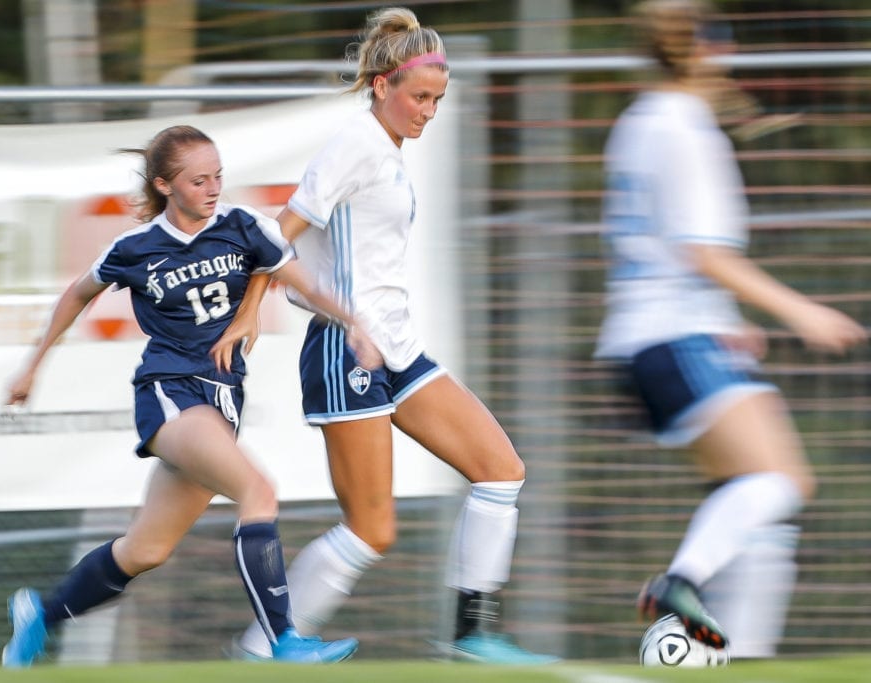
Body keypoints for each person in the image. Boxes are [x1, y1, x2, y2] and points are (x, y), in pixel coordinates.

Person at [231, 7, 558, 665]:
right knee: (373, 527)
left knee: (501, 471)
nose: (428, 111)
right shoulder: (356, 140)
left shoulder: (385, 149)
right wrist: (248, 314)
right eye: (418, 97)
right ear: (382, 86)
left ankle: (473, 632)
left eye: (437, 100)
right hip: (344, 347)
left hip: (398, 348)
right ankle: (265, 645)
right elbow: (276, 233)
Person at [1, 124, 382, 667]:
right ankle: (283, 643)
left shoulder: (244, 227)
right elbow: (76, 295)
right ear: (164, 185)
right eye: (198, 180)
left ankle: (40, 614)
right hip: (171, 392)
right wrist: (31, 367)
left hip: (222, 401)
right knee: (258, 492)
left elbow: (304, 282)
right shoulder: (135, 247)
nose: (212, 188)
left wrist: (353, 324)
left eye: (218, 176)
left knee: (145, 550)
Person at [595, 0, 867, 659]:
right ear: (704, 51)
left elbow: (661, 247)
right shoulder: (688, 129)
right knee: (781, 482)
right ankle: (679, 584)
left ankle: (744, 658)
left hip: (655, 335)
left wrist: (730, 318)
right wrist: (799, 309)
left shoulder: (639, 122)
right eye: (725, 46)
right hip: (672, 336)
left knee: (759, 508)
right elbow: (704, 252)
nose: (731, 61)